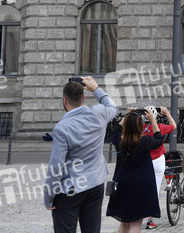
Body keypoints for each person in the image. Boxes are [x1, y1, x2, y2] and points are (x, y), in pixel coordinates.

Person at [45, 76, 119, 233]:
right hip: (95, 183)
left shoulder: (62, 128)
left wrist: (49, 196)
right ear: (84, 97)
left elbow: (56, 166)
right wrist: (96, 89)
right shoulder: (99, 113)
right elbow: (113, 107)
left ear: (64, 100)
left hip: (70, 188)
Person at [106, 108, 165, 231]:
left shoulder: (119, 141)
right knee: (136, 223)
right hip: (141, 186)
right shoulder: (144, 141)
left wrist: (127, 116)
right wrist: (153, 121)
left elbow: (114, 130)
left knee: (124, 222)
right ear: (140, 126)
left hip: (123, 184)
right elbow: (159, 139)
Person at [143, 106, 177, 231]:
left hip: (144, 160)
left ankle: (137, 216)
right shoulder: (160, 127)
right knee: (155, 189)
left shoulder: (138, 128)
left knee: (141, 188)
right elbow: (173, 126)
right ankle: (150, 220)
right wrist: (167, 113)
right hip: (157, 160)